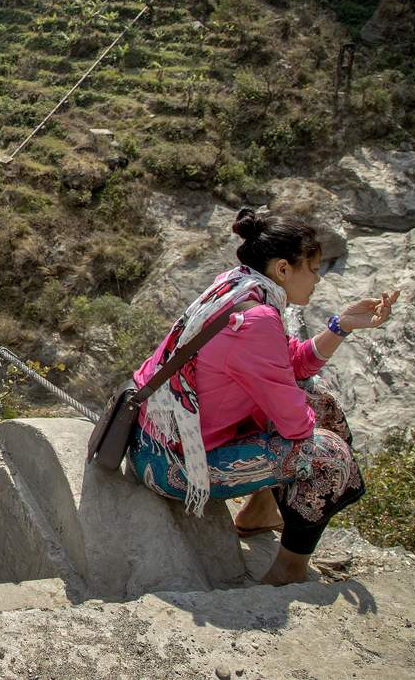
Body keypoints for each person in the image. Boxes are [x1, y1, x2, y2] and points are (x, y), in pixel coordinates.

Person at [128, 208, 399, 586]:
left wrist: (341, 326)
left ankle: (259, 512)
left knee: (321, 404)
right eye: (314, 269)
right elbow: (295, 424)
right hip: (171, 464)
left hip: (159, 437)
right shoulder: (256, 320)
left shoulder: (240, 287)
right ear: (284, 269)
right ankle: (288, 570)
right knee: (329, 456)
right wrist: (296, 404)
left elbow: (294, 364)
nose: (318, 279)